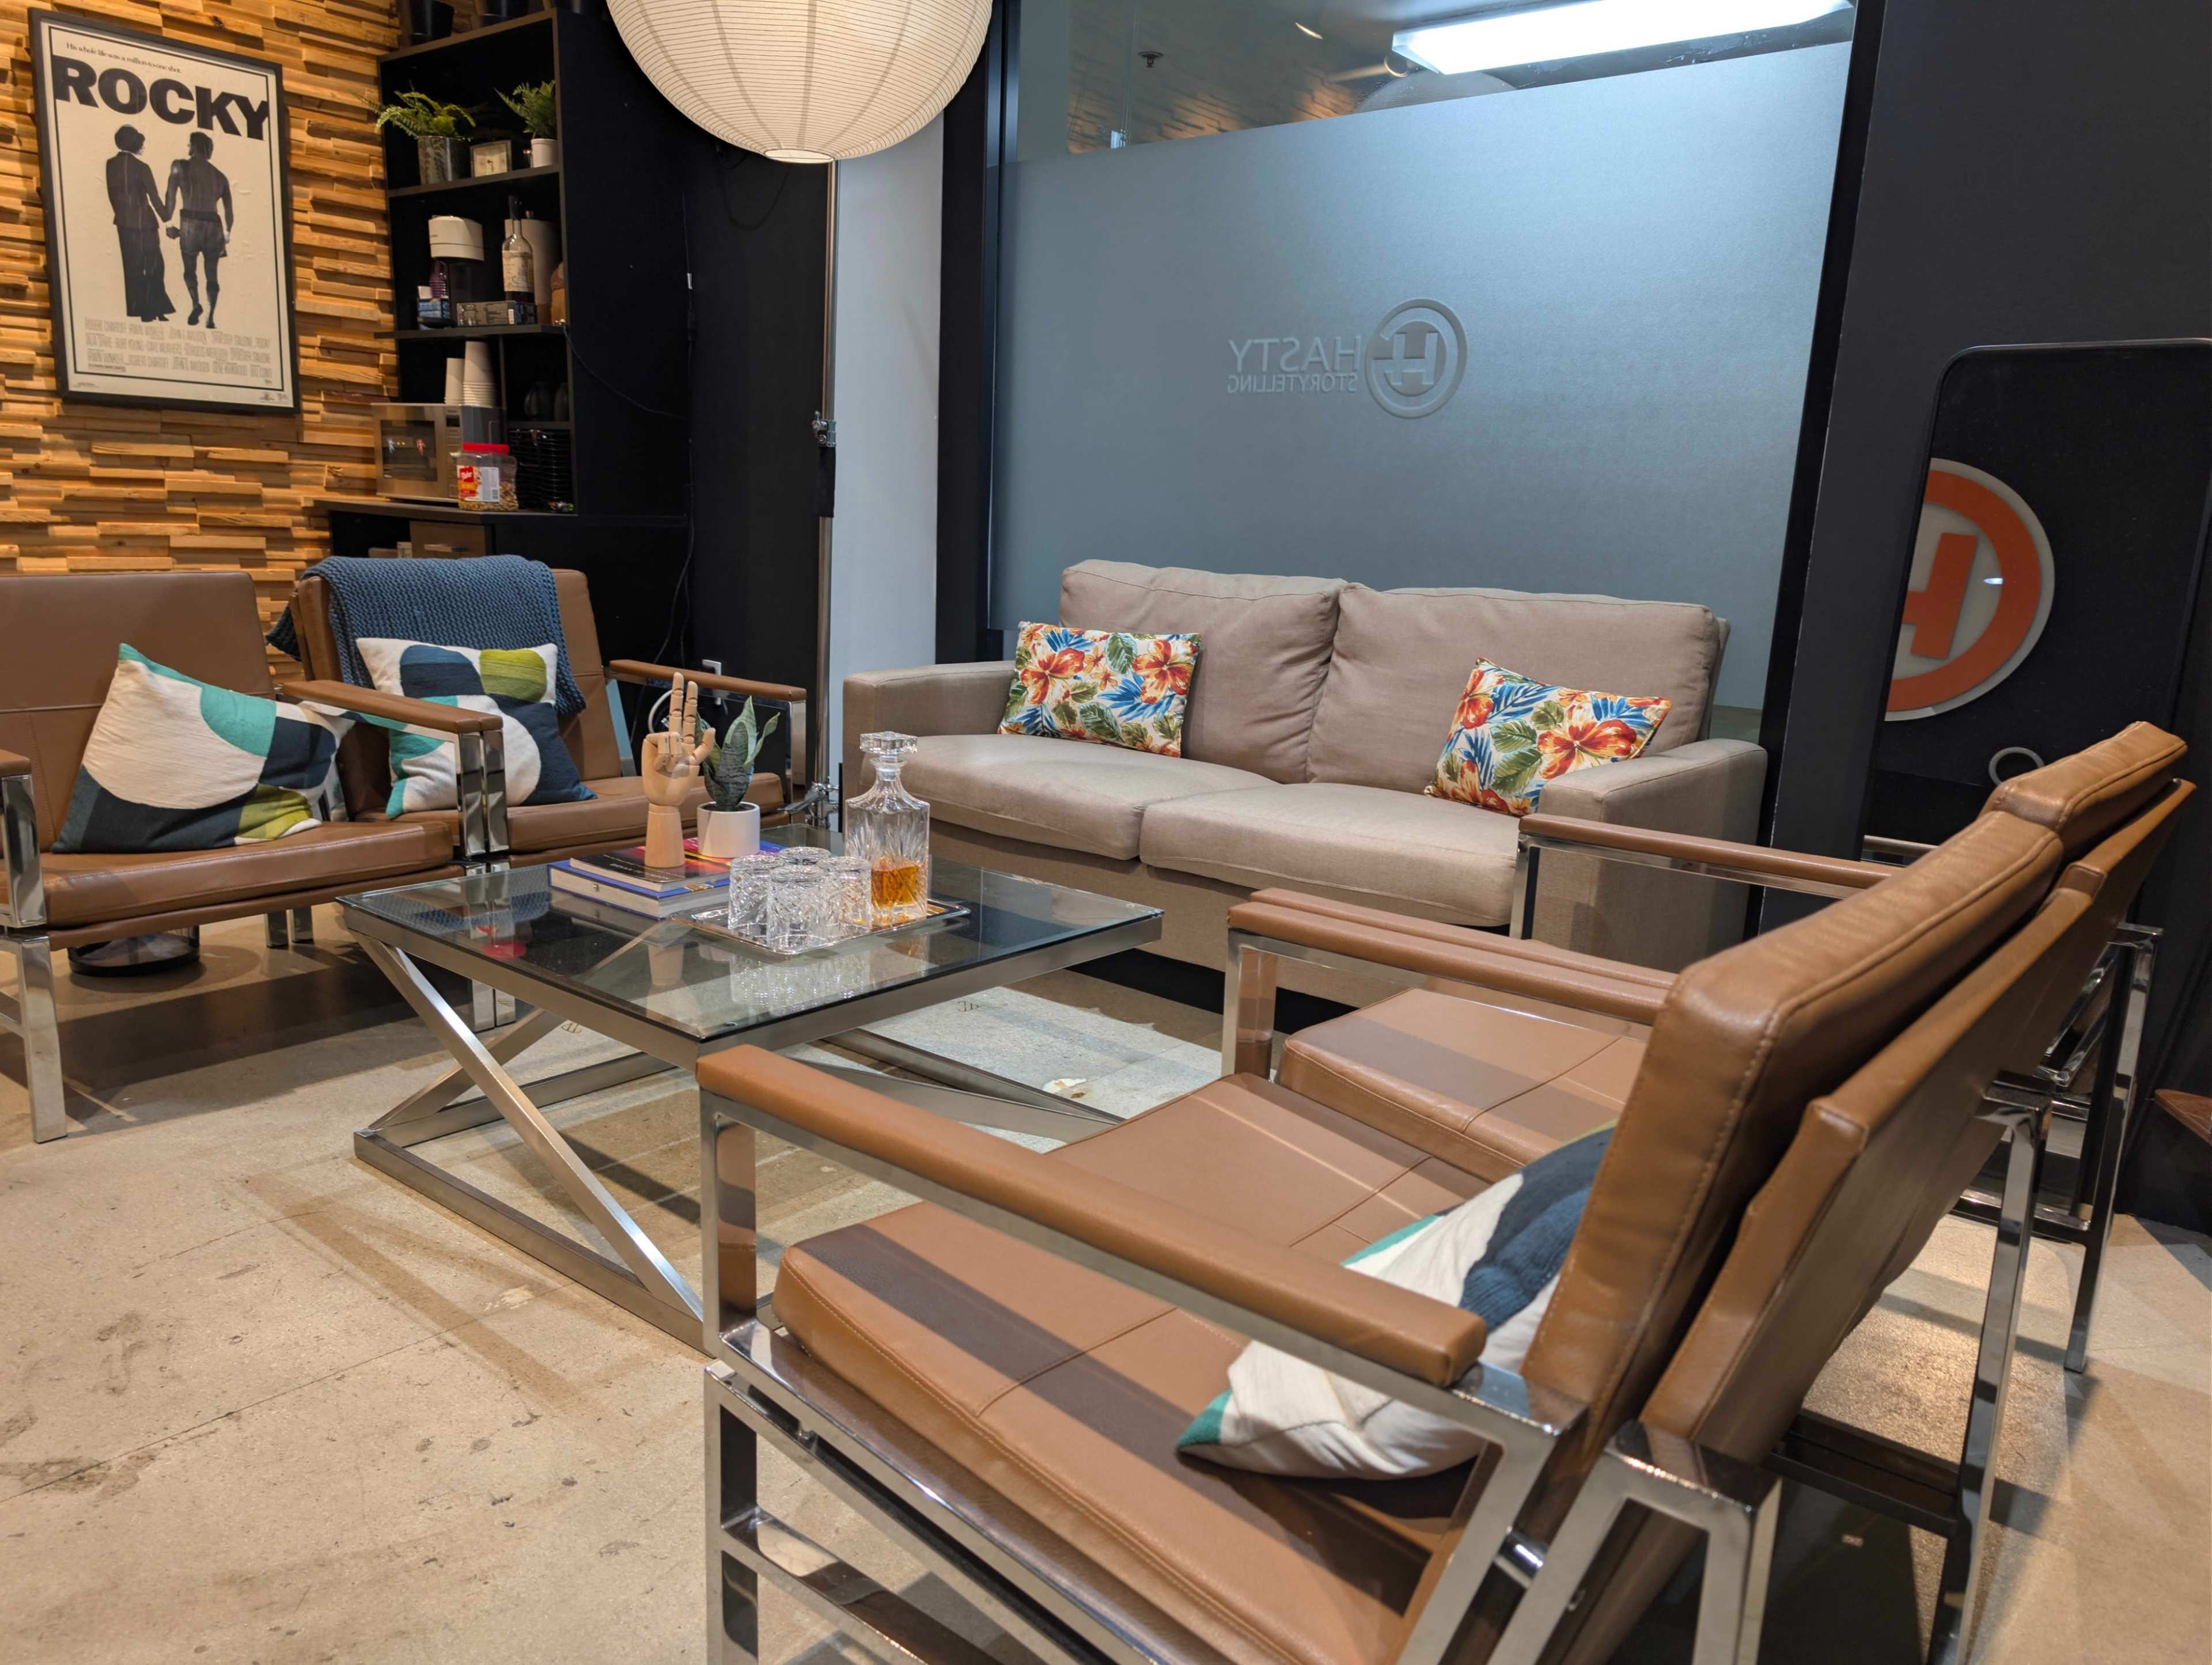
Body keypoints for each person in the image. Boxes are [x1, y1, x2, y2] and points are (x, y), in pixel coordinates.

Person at [163, 131, 234, 328]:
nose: (188, 148)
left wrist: (169, 224)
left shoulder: (180, 166)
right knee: (212, 275)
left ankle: (196, 303)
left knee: (189, 270)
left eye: (190, 145)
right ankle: (210, 317)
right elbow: (228, 210)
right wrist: (228, 232)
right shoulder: (220, 176)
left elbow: (170, 197)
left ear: (194, 146)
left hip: (190, 223)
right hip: (214, 226)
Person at [104, 125, 172, 323]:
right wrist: (167, 219)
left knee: (132, 266)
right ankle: (157, 309)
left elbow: (112, 195)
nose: (143, 146)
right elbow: (154, 198)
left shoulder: (110, 165)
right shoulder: (142, 167)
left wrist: (123, 214)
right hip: (145, 223)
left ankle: (142, 311)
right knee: (154, 265)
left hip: (124, 224)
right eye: (141, 143)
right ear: (135, 144)